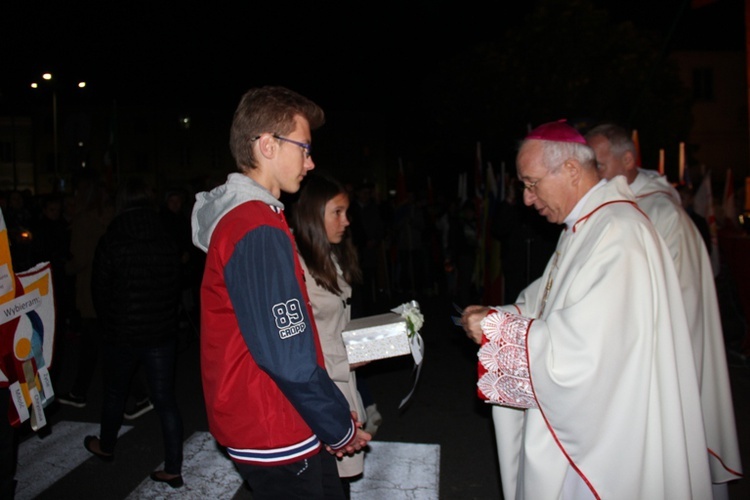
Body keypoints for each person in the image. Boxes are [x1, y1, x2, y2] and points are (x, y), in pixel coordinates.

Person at [461, 120, 712, 499]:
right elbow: (546, 301)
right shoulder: (585, 226)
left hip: (609, 436)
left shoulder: (619, 232)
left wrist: (502, 331)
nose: (527, 199)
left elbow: (589, 351)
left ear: (571, 170)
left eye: (531, 183)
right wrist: (503, 312)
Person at [190, 86, 370, 500]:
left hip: (274, 415)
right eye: (304, 148)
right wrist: (337, 425)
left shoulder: (250, 219)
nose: (311, 161)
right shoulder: (255, 226)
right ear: (268, 145)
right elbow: (287, 352)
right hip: (272, 421)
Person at [585, 122, 743, 496]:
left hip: (662, 362)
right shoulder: (612, 208)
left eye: (599, 164)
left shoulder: (659, 214)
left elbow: (668, 306)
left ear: (627, 160)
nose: (591, 175)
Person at [83, 177, 184, 488]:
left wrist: (110, 321)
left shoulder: (112, 239)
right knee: (165, 399)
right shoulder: (165, 236)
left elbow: (99, 291)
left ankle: (107, 446)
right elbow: (176, 284)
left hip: (122, 332)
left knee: (115, 392)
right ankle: (173, 467)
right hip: (161, 333)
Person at [290, 172, 369, 498]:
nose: (346, 221)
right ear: (313, 213)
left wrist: (377, 340)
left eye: (346, 212)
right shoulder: (296, 262)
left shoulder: (330, 254)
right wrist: (346, 360)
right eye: (337, 212)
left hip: (340, 384)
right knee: (325, 486)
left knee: (337, 485)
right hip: (319, 391)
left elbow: (337, 323)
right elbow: (298, 343)